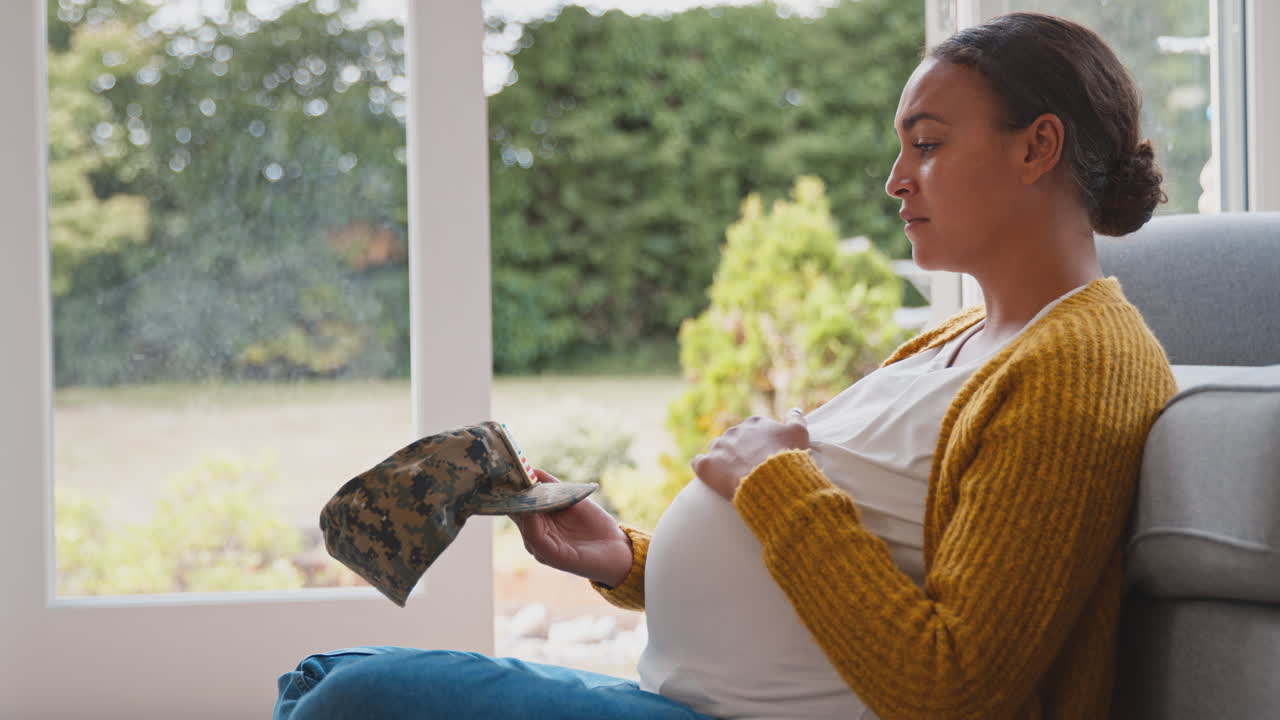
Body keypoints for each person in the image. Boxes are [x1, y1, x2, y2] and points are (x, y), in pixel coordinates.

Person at [274, 12, 1177, 720]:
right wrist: (628, 561)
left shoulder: (1078, 365)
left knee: (351, 700)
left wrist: (776, 480)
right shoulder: (964, 340)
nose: (895, 178)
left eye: (928, 143)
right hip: (686, 699)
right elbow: (857, 559)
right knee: (324, 680)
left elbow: (953, 688)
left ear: (1037, 147)